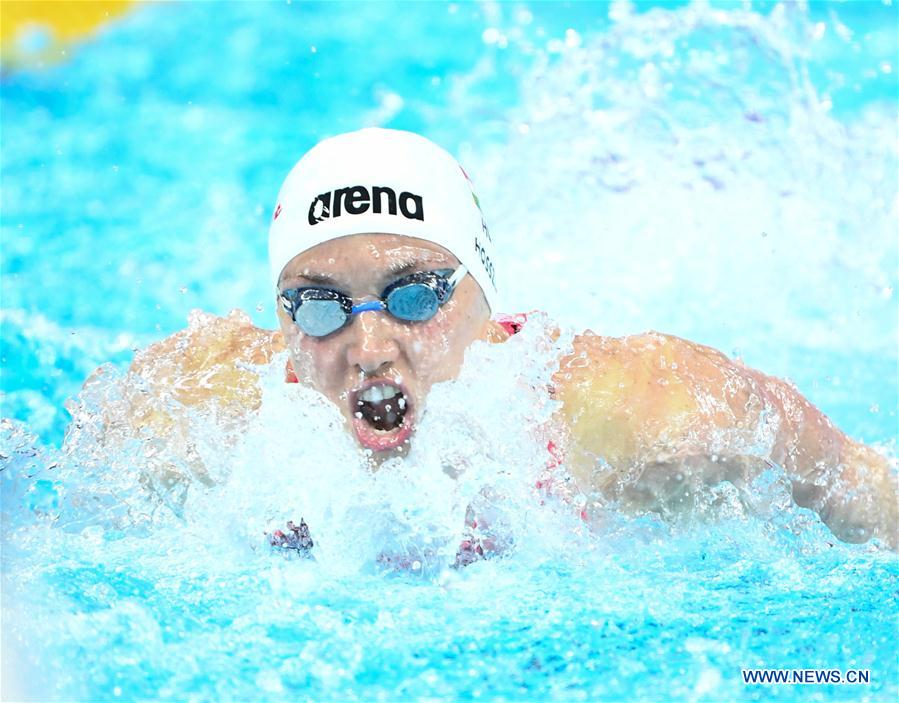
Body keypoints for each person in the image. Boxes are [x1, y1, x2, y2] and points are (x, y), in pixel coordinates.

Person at [126, 128, 897, 549]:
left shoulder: (635, 410)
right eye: (322, 304)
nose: (368, 344)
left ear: (483, 300)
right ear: (284, 321)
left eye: (412, 293)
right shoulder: (198, 412)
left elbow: (854, 481)